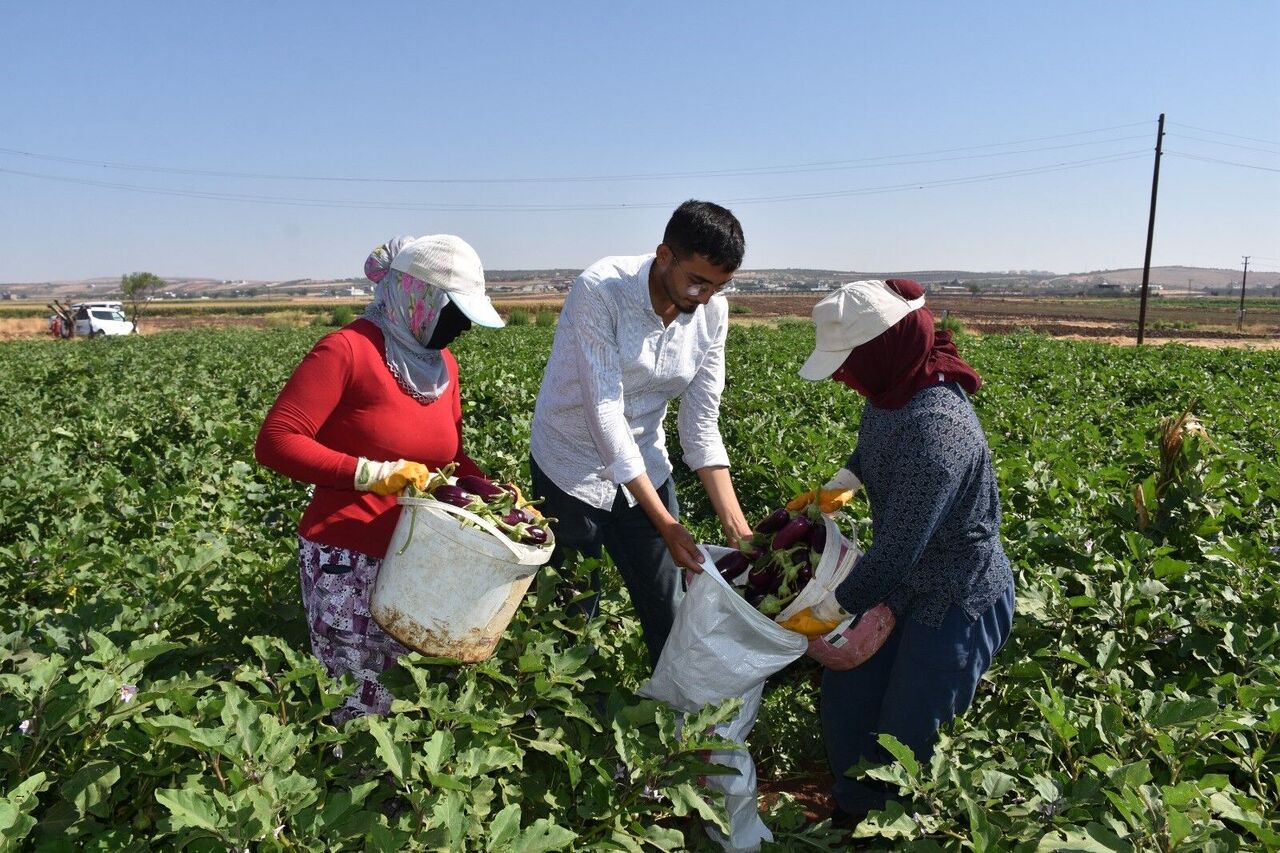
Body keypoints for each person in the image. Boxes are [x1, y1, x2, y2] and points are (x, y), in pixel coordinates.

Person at [787, 278, 1016, 825]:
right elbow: (873, 445)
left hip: (955, 597)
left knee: (907, 733)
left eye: (848, 363)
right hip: (901, 584)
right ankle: (853, 813)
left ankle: (896, 830)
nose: (842, 377)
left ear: (882, 348)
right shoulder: (894, 388)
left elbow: (893, 558)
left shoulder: (938, 428)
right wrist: (843, 480)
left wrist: (817, 616)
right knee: (849, 704)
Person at [254, 234, 505, 721]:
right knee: (362, 708)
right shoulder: (346, 350)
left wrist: (494, 494)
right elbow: (277, 440)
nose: (461, 330)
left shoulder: (440, 363)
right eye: (453, 314)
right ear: (417, 298)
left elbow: (450, 456)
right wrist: (370, 474)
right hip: (347, 560)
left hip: (422, 560)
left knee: (415, 702)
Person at [529, 200, 754, 667]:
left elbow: (700, 425)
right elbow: (605, 413)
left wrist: (738, 529)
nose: (706, 296)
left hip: (645, 466)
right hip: (569, 467)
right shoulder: (602, 290)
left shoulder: (712, 313)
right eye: (698, 280)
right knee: (571, 616)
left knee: (669, 611)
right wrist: (666, 523)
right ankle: (567, 726)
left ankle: (673, 725)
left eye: (719, 286)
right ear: (664, 255)